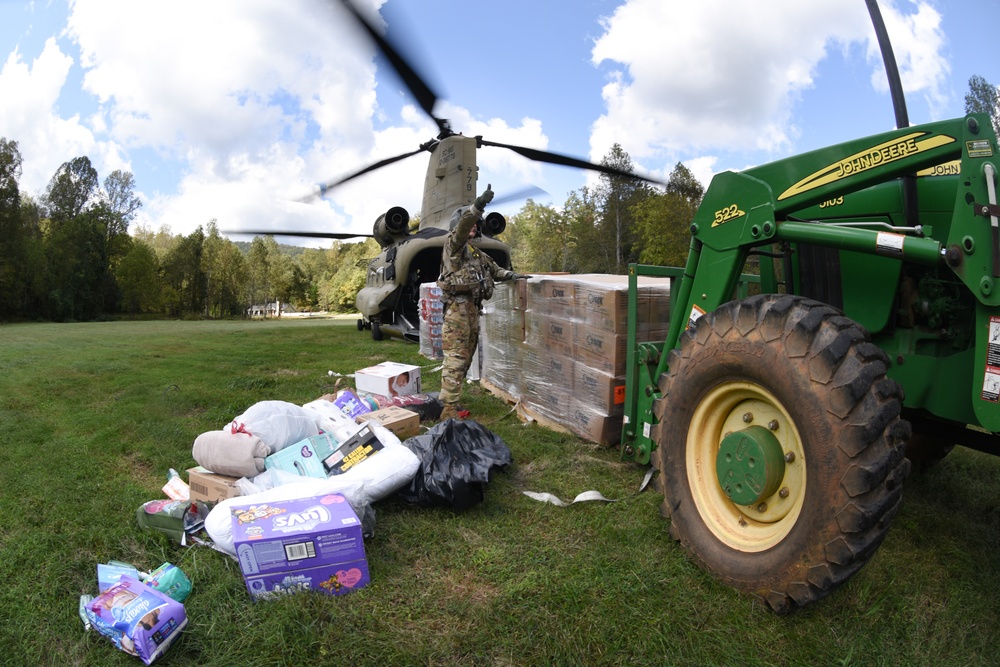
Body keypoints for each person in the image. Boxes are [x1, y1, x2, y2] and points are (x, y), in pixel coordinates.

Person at [436, 184, 527, 421]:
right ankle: (448, 411)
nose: (474, 228)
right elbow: (464, 224)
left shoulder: (476, 254)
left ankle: (452, 400)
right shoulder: (453, 247)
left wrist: (513, 276)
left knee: (466, 357)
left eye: (477, 226)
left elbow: (496, 270)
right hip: (457, 311)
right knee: (456, 357)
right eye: (471, 225)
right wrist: (478, 206)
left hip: (473, 310)